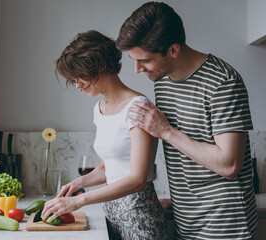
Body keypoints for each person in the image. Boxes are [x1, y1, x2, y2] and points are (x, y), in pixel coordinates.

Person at [116, 2, 258, 239]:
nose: (137, 69)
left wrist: (167, 131)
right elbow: (190, 152)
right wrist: (183, 198)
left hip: (225, 228)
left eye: (145, 60)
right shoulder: (162, 80)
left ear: (173, 50)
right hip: (187, 222)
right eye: (134, 60)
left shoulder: (223, 82)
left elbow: (229, 164)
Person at [41, 30, 168, 239]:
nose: (76, 84)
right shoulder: (99, 109)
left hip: (140, 216)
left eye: (79, 75)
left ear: (99, 65)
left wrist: (79, 200)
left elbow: (138, 180)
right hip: (111, 213)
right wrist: (78, 184)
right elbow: (106, 169)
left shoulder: (138, 106)